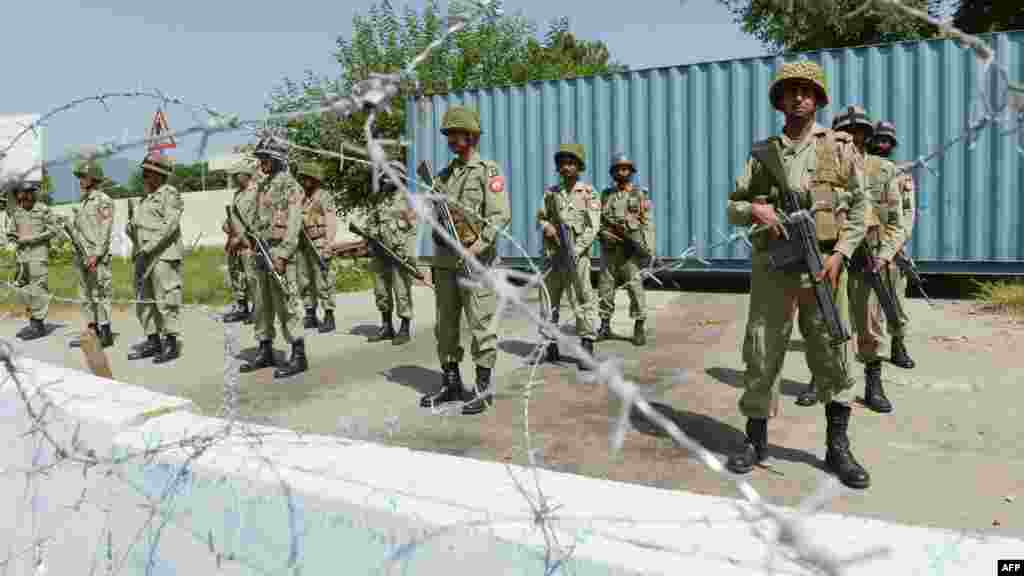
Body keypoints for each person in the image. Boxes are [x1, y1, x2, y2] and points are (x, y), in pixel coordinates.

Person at [724, 60, 871, 489]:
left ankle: (837, 447)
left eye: (807, 90)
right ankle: (755, 440)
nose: (799, 97)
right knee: (762, 347)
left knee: (831, 350)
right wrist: (754, 208)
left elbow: (862, 209)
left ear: (819, 98)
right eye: (791, 90)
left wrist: (842, 253)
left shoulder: (840, 147)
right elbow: (733, 205)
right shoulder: (761, 153)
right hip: (773, 268)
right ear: (780, 99)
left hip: (823, 266)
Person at [417, 105, 511, 415]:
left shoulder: (488, 171)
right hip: (445, 262)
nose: (451, 139)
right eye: (448, 134)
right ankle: (451, 382)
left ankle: (483, 389)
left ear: (471, 136)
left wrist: (476, 247)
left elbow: (499, 217)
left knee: (481, 325)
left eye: (457, 134)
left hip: (477, 261)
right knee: (445, 326)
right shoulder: (442, 176)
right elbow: (435, 217)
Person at [833, 106, 906, 413]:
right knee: (826, 322)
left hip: (868, 257)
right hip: (832, 256)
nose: (853, 136)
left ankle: (873, 383)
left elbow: (895, 221)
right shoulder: (821, 165)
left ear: (867, 134)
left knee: (869, 324)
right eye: (847, 131)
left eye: (859, 130)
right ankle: (821, 379)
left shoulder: (884, 169)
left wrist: (885, 255)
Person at [238, 137, 308, 378]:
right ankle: (265, 348)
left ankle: (298, 354)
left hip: (280, 254)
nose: (261, 163)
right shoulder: (262, 185)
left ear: (277, 159)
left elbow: (294, 223)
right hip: (261, 250)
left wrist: (285, 253)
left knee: (286, 305)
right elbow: (253, 218)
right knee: (261, 304)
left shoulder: (290, 185)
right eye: (260, 159)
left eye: (265, 158)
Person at [536, 144, 600, 368]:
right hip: (552, 256)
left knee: (582, 299)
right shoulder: (551, 193)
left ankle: (587, 345)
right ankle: (549, 343)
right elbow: (541, 217)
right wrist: (546, 227)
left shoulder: (589, 193)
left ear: (579, 166)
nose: (566, 167)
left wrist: (576, 249)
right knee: (548, 300)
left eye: (571, 163)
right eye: (562, 163)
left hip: (576, 257)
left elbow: (593, 227)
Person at [126, 153, 185, 363]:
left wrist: (149, 247)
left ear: (159, 175)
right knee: (144, 300)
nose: (144, 177)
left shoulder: (169, 194)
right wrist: (130, 227)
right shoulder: (144, 199)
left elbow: (170, 226)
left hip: (162, 255)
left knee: (166, 299)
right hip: (143, 256)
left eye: (148, 173)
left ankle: (170, 342)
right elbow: (135, 230)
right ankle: (153, 340)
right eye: (144, 172)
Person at [871, 120, 916, 369]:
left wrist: (892, 247)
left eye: (886, 141)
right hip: (863, 245)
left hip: (892, 248)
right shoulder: (861, 170)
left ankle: (898, 344)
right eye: (877, 139)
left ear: (892, 145)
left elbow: (907, 218)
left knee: (894, 301)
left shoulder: (902, 177)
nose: (881, 144)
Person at [596, 153, 653, 346]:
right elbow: (597, 220)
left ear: (631, 172)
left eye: (625, 168)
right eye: (618, 169)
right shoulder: (605, 195)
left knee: (635, 289)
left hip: (630, 251)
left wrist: (647, 249)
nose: (622, 172)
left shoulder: (639, 194)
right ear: (613, 172)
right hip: (610, 250)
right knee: (605, 288)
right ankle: (604, 325)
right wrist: (602, 234)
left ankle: (639, 326)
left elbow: (647, 223)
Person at [363, 160, 417, 345]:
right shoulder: (379, 198)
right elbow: (371, 222)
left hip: (399, 253)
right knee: (381, 291)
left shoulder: (408, 198)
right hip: (380, 253)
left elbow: (413, 229)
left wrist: (408, 256)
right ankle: (386, 327)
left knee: (402, 291)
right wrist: (370, 238)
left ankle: (404, 328)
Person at [6, 179, 60, 340]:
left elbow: (53, 229)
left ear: (33, 194)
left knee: (39, 289)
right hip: (22, 258)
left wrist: (33, 238)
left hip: (38, 254)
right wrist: (14, 238)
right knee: (24, 291)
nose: (26, 196)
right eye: (23, 194)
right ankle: (34, 320)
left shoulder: (43, 210)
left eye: (29, 193)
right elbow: (11, 232)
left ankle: (38, 324)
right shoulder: (17, 212)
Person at [70, 158, 115, 348]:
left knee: (100, 293)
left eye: (84, 176)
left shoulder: (103, 201)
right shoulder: (82, 203)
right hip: (81, 255)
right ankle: (91, 330)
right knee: (85, 295)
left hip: (97, 256)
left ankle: (105, 332)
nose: (80, 180)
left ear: (93, 178)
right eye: (80, 176)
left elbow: (105, 229)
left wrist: (96, 254)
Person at [295, 161, 338, 333]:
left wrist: (328, 244)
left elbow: (331, 221)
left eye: (306, 178)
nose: (303, 181)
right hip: (303, 244)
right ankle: (310, 313)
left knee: (324, 280)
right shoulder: (301, 198)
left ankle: (329, 315)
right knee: (304, 280)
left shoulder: (323, 196)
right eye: (302, 178)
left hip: (319, 243)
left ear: (314, 179)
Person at [221, 156, 263, 324]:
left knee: (252, 277)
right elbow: (234, 217)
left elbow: (255, 218)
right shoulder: (238, 194)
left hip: (249, 242)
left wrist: (240, 237)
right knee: (237, 275)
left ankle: (258, 310)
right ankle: (242, 307)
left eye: (236, 175)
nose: (233, 178)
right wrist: (227, 226)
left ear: (245, 174)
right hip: (236, 242)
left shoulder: (256, 192)